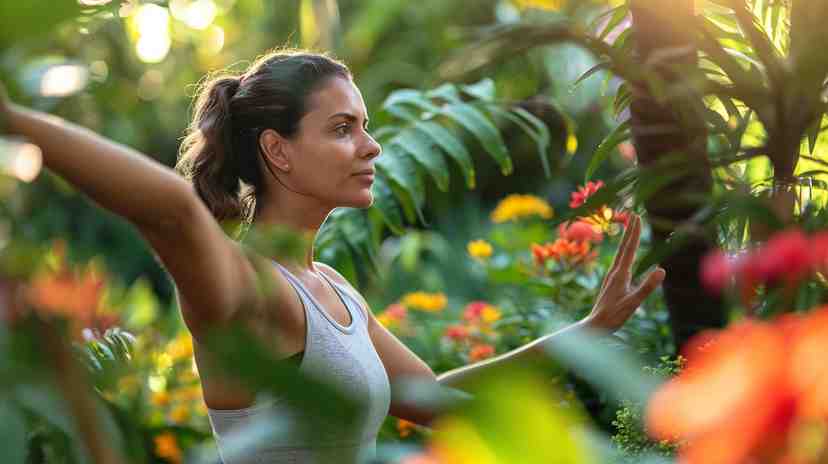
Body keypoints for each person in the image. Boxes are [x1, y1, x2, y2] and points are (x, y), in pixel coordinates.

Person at [0, 49, 665, 464]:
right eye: (343, 129)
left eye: (366, 126)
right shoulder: (249, 287)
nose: (371, 147)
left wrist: (586, 334)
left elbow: (431, 399)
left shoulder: (333, 289)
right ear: (277, 151)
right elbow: (172, 210)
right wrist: (16, 122)